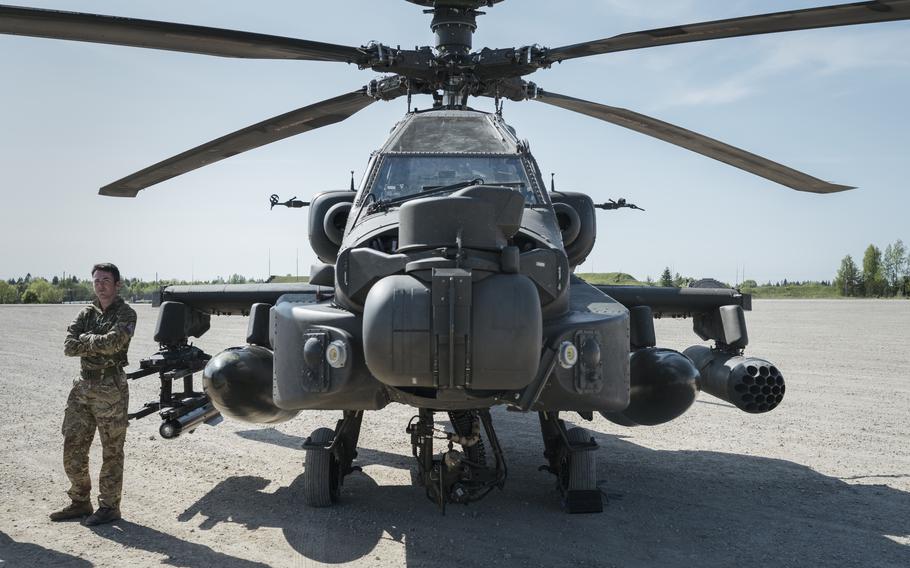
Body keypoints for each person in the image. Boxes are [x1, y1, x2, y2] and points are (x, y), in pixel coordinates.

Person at [49, 263, 136, 526]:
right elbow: (68, 347)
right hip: (83, 388)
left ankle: (109, 507)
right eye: (96, 280)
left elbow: (115, 343)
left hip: (111, 388)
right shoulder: (85, 313)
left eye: (106, 280)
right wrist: (94, 341)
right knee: (73, 445)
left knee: (112, 450)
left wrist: (85, 341)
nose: (100, 284)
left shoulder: (126, 313)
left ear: (117, 284)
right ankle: (80, 501)